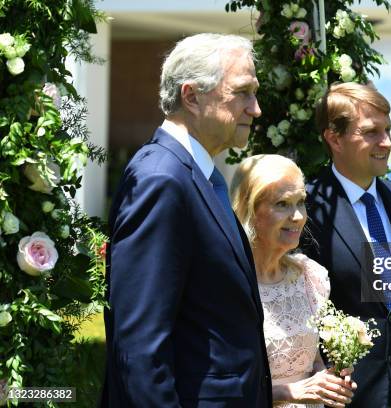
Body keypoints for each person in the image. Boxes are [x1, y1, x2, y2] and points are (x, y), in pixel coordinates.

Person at [100, 33, 272, 407]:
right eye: (242, 92)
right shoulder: (161, 180)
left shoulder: (198, 174)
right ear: (192, 96)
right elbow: (140, 350)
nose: (255, 108)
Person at [302, 82, 391, 408]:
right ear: (334, 138)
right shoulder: (306, 209)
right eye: (371, 132)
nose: (387, 142)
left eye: (388, 130)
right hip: (342, 399)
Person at [230, 154, 355, 408]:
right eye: (283, 204)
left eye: (301, 202)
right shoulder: (228, 285)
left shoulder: (310, 277)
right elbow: (221, 383)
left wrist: (331, 382)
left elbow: (314, 361)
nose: (298, 216)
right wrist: (287, 392)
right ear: (249, 209)